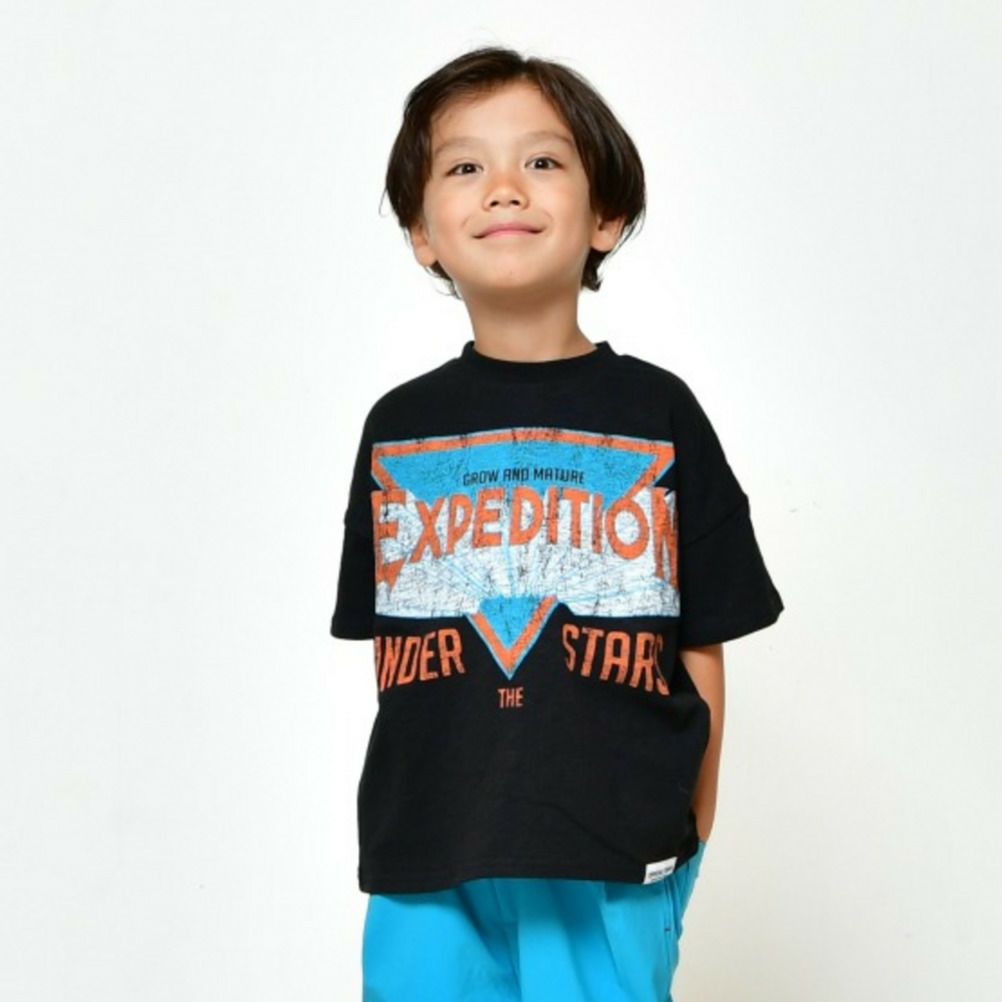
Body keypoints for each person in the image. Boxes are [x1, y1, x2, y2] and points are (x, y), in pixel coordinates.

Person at [329, 45, 784, 1002]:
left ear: (604, 216)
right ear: (422, 233)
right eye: (465, 166)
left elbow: (703, 641)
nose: (504, 186)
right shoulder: (397, 426)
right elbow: (393, 650)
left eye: (541, 160)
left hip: (609, 852)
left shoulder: (659, 412)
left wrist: (690, 826)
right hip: (426, 858)